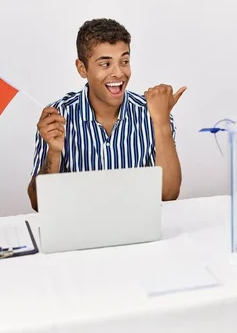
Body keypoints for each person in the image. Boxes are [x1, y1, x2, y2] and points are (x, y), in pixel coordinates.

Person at [27, 18, 185, 211]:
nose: (118, 73)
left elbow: (168, 195)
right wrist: (54, 151)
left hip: (137, 228)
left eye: (124, 61)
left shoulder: (153, 112)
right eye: (105, 64)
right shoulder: (57, 117)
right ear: (82, 68)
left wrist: (161, 123)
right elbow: (38, 204)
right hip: (79, 230)